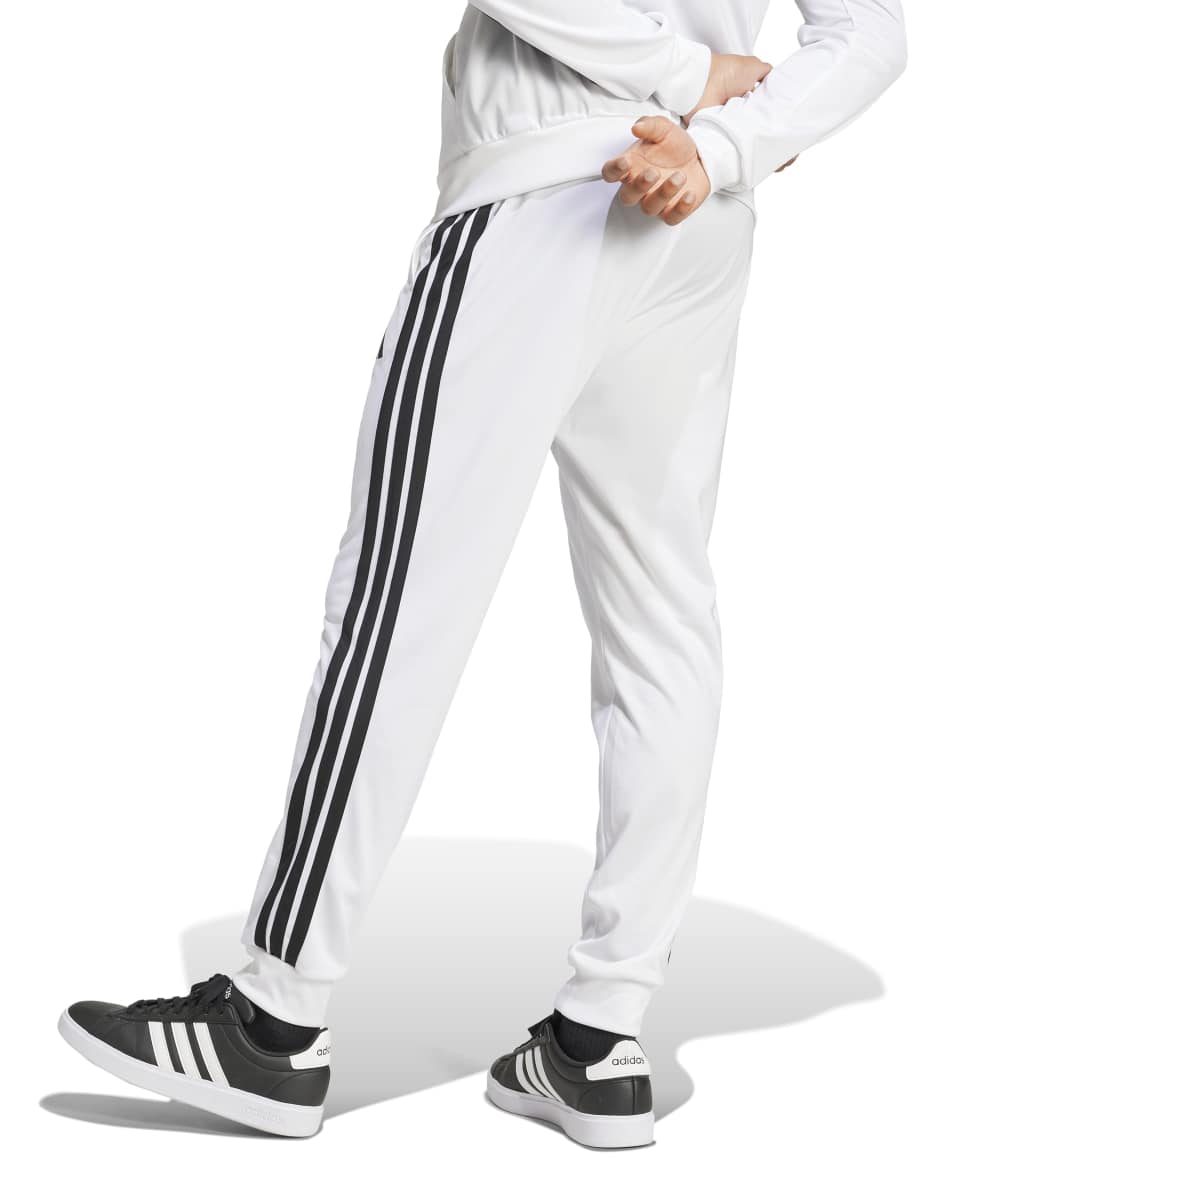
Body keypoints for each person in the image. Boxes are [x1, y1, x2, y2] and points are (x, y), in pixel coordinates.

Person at [58, 0, 906, 1147]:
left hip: (547, 189)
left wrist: (682, 77)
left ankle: (271, 1020)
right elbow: (871, 34)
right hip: (694, 211)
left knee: (398, 603)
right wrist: (726, 144)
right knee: (662, 613)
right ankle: (600, 1039)